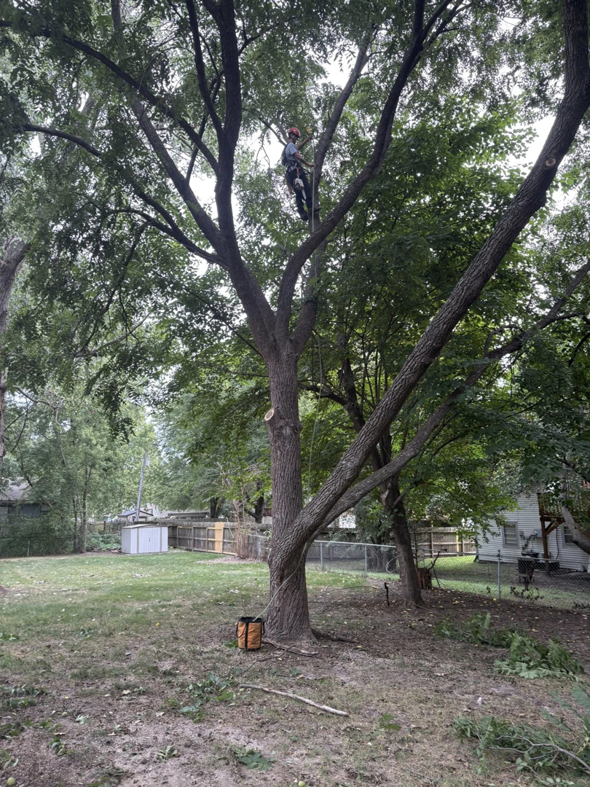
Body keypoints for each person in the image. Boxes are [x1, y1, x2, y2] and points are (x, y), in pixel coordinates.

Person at [283, 126, 315, 221]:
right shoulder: (290, 145)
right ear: (291, 135)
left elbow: (297, 148)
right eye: (296, 137)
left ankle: (302, 212)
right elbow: (297, 156)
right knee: (307, 188)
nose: (296, 139)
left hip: (291, 174)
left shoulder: (288, 147)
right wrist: (308, 164)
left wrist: (307, 140)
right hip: (297, 171)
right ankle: (310, 208)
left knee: (299, 193)